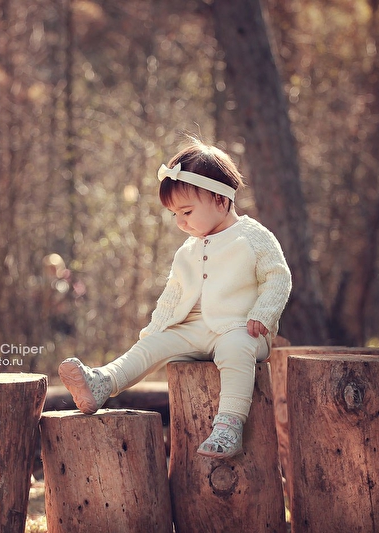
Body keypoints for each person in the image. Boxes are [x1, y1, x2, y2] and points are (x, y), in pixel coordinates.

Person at [58, 139, 292, 458]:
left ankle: (229, 424)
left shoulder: (253, 236)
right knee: (151, 346)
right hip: (193, 329)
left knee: (235, 351)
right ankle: (103, 382)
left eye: (187, 212)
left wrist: (263, 314)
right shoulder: (188, 250)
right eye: (175, 215)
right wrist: (156, 331)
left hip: (242, 329)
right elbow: (173, 295)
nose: (181, 222)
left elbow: (277, 277)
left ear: (220, 200)